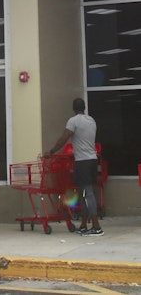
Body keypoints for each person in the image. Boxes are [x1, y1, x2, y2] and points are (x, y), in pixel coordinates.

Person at [46, 97, 103, 236]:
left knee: (87, 193)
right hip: (92, 160)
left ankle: (96, 226)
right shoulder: (91, 120)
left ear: (74, 108)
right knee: (83, 193)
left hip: (82, 162)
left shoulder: (74, 121)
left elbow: (64, 138)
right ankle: (83, 225)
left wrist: (52, 151)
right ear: (84, 107)